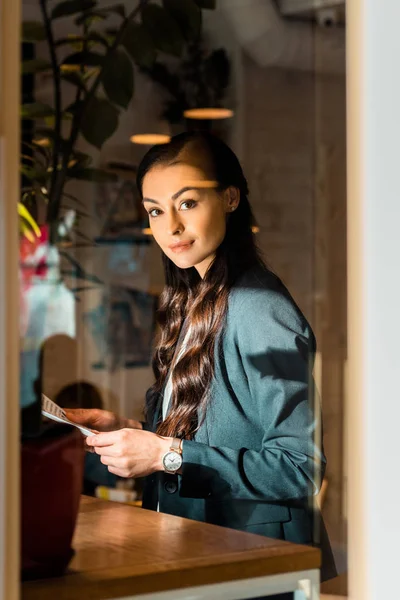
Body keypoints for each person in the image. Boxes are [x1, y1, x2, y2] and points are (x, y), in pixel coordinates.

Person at [66, 132, 336, 597]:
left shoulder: (259, 308)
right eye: (155, 210)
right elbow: (207, 437)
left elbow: (301, 466)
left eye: (187, 202)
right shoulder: (194, 301)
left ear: (230, 198)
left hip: (253, 563)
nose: (169, 226)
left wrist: (164, 455)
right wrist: (126, 431)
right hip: (204, 551)